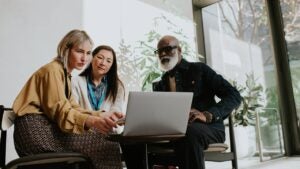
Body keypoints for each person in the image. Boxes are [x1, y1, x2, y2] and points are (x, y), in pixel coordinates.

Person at [121, 35, 242, 169]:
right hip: (173, 133)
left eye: (167, 49)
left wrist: (208, 115)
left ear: (179, 50)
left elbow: (234, 96)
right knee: (130, 139)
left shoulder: (199, 69)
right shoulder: (160, 84)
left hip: (208, 129)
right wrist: (135, 120)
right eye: (159, 51)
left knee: (187, 133)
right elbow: (158, 115)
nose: (162, 54)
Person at [12, 29, 124, 169]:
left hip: (44, 127)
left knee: (103, 140)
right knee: (104, 144)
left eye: (88, 53)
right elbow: (61, 112)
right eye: (79, 51)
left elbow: (74, 108)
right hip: (34, 132)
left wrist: (101, 114)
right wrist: (92, 121)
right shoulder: (53, 70)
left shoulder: (65, 74)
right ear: (66, 49)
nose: (84, 58)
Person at [71, 45, 125, 169]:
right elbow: (74, 110)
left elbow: (116, 109)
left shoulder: (117, 86)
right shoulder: (76, 81)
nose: (103, 63)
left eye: (108, 61)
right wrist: (97, 117)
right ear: (91, 58)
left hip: (108, 131)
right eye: (100, 58)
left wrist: (117, 116)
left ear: (112, 65)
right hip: (85, 132)